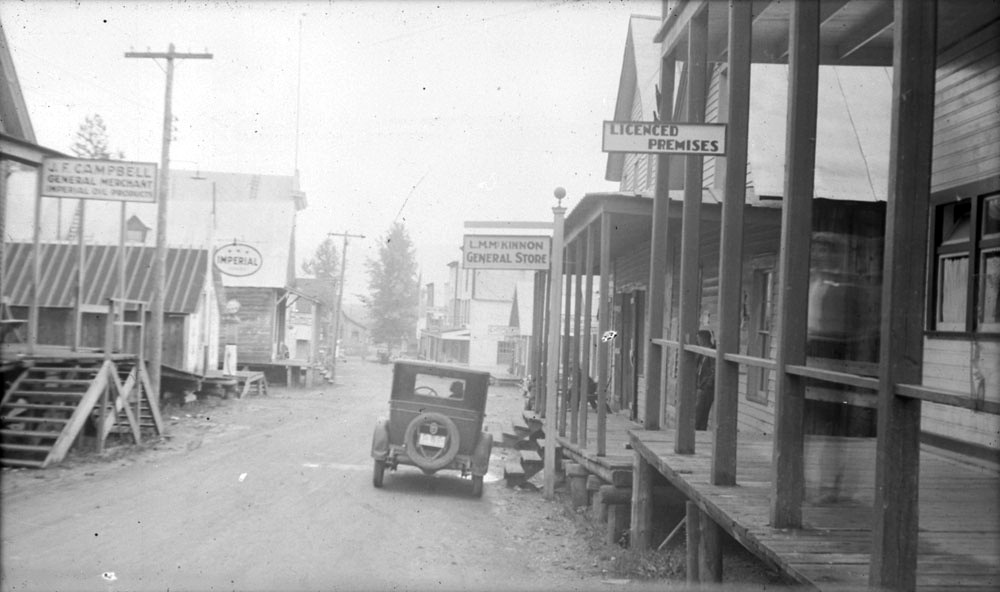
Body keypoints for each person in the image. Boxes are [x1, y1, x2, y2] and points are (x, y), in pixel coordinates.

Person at [694, 330, 716, 431]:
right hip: (700, 385)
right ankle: (699, 432)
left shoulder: (712, 352)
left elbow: (714, 370)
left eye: (699, 339)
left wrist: (707, 384)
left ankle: (698, 432)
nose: (698, 342)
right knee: (698, 413)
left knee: (700, 414)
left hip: (706, 388)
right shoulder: (703, 352)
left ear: (704, 339)